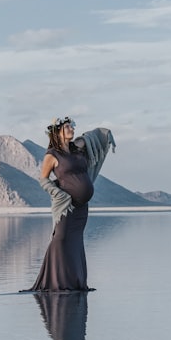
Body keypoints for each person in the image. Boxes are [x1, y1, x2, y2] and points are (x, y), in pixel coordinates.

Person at [24, 116, 115, 292]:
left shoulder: (77, 150)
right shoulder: (52, 155)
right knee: (61, 239)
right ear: (58, 132)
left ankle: (75, 282)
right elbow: (43, 180)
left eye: (72, 126)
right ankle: (56, 282)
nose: (72, 129)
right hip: (67, 207)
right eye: (67, 127)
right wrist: (59, 194)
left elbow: (90, 138)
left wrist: (105, 133)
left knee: (76, 241)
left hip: (81, 207)